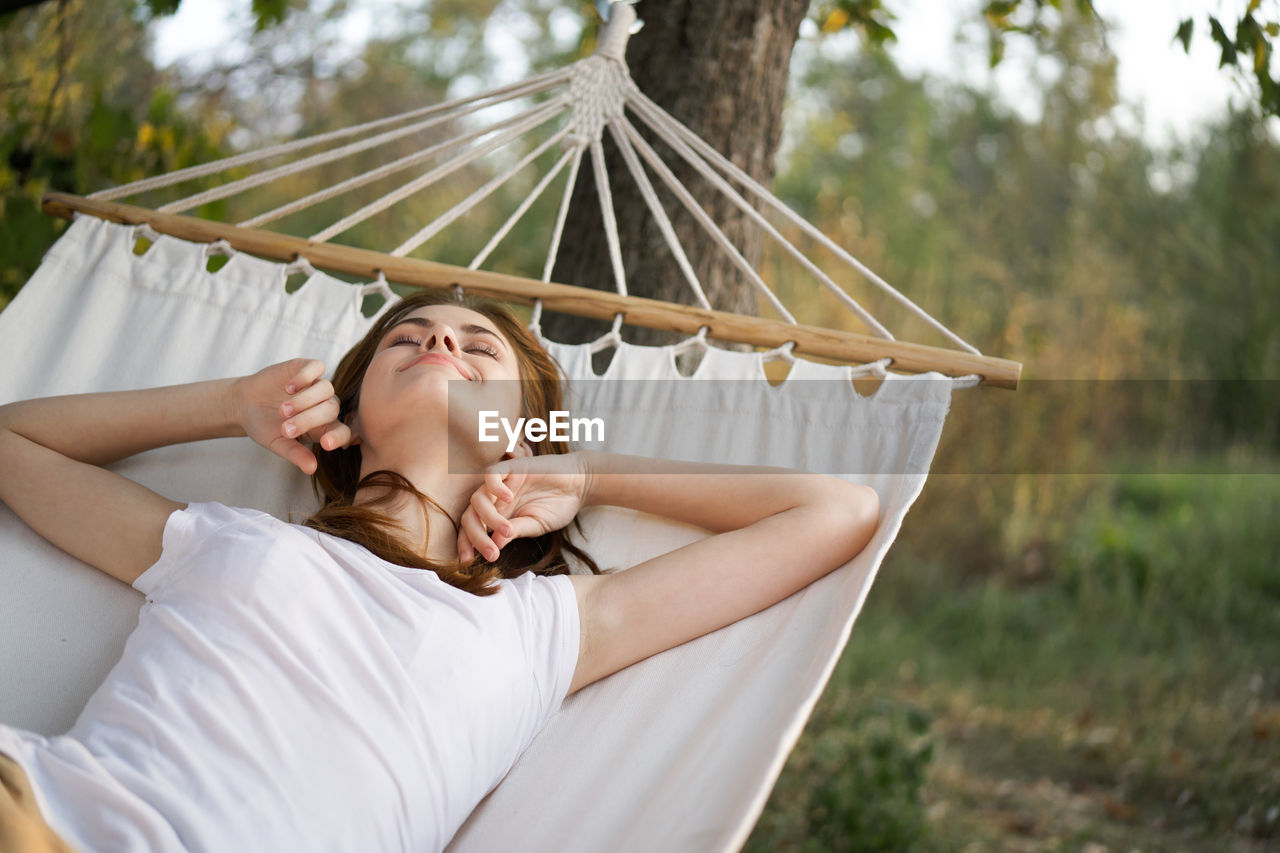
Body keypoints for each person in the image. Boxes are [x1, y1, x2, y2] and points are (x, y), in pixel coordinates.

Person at [0, 289, 881, 852]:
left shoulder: (543, 627)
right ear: (350, 411)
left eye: (478, 347)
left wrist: (583, 469)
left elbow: (835, 513)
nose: (439, 344)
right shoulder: (229, 539)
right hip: (39, 809)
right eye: (408, 337)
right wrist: (229, 405)